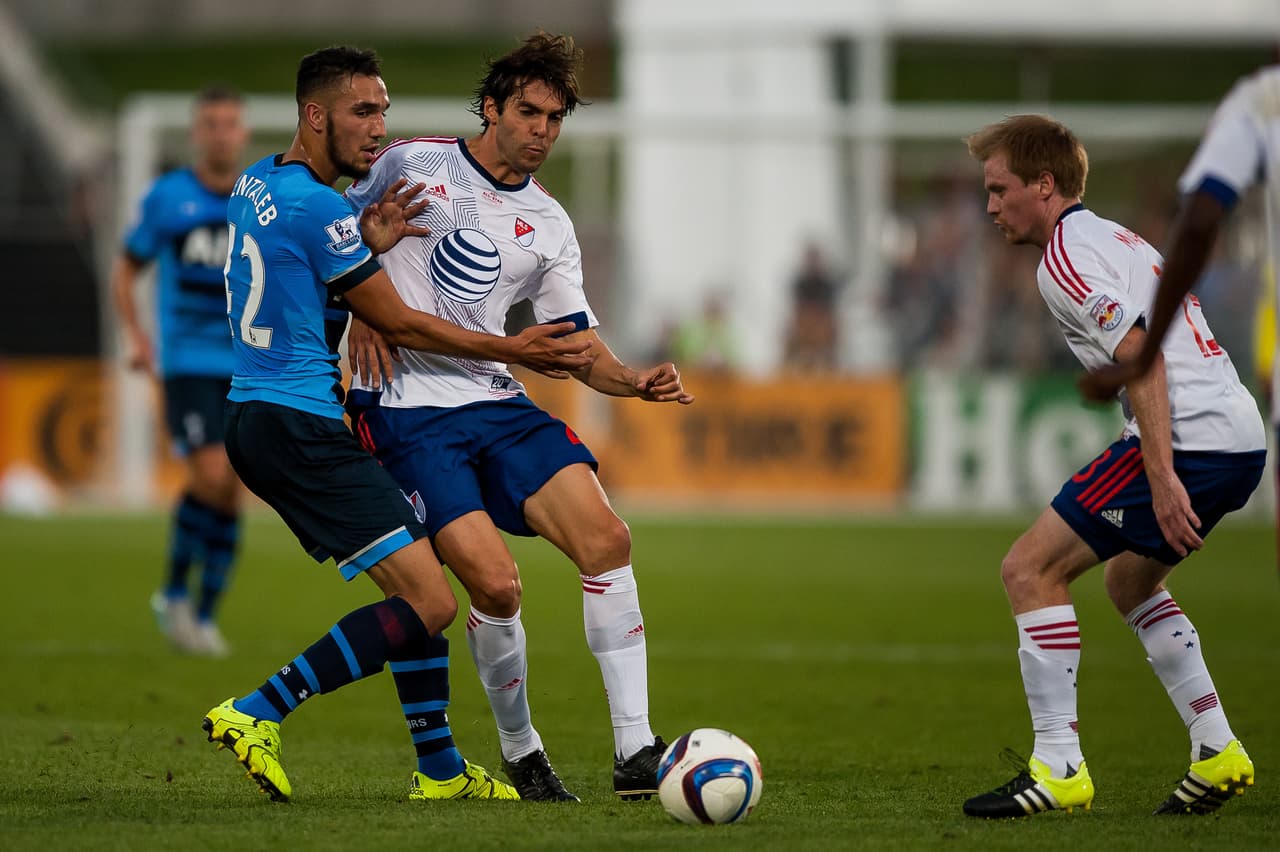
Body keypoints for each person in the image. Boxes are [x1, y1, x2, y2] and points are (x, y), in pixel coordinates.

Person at [202, 45, 591, 804]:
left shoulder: (258, 182)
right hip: (299, 424)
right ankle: (258, 710)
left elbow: (298, 284)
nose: (379, 128)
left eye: (383, 111)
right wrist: (513, 348)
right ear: (315, 115)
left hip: (260, 414)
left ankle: (439, 770)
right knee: (432, 602)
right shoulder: (321, 209)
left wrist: (363, 258)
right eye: (362, 111)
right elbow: (403, 323)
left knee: (421, 581)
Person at [343, 32, 693, 802]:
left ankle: (635, 749)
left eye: (555, 118)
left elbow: (575, 345)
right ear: (492, 108)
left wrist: (632, 379)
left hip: (495, 399)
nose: (542, 130)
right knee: (498, 588)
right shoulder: (410, 163)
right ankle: (521, 748)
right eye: (529, 112)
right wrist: (360, 304)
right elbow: (331, 242)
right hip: (404, 408)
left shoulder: (550, 223)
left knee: (608, 539)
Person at [962, 115, 1265, 818]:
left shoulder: (1064, 259)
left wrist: (1161, 478)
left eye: (1000, 189)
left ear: (1044, 185)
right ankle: (1217, 748)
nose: (990, 205)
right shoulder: (1109, 237)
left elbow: (1142, 358)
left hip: (1193, 436)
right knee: (1129, 582)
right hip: (1236, 432)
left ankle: (1058, 768)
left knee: (1029, 570)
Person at [111, 85, 249, 656]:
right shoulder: (169, 197)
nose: (220, 134)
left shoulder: (256, 199)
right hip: (188, 360)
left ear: (242, 133)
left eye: (229, 124)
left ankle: (203, 613)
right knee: (212, 475)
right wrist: (138, 338)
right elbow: (126, 268)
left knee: (232, 490)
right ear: (197, 132)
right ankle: (173, 593)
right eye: (210, 124)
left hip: (246, 363)